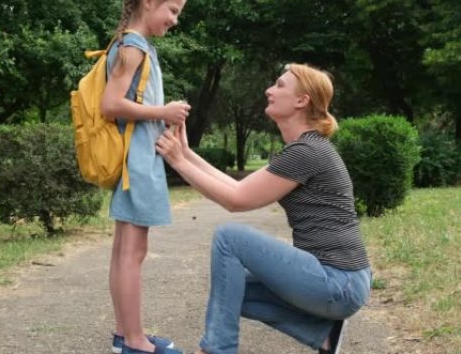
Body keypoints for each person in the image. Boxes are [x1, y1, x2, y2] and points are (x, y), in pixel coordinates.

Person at [156, 63, 372, 354]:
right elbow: (236, 187)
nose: (269, 90)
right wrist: (185, 155)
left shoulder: (306, 152)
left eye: (280, 85)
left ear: (301, 100)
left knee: (229, 238)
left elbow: (236, 201)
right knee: (230, 288)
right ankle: (324, 334)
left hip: (338, 281)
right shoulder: (305, 149)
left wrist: (178, 162)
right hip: (342, 283)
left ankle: (217, 350)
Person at [101, 0, 190, 354]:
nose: (174, 20)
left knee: (125, 250)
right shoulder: (134, 46)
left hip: (135, 160)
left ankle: (126, 335)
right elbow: (110, 104)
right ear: (149, 0)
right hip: (139, 161)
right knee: (132, 252)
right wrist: (164, 110)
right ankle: (135, 341)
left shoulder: (131, 44)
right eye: (172, 10)